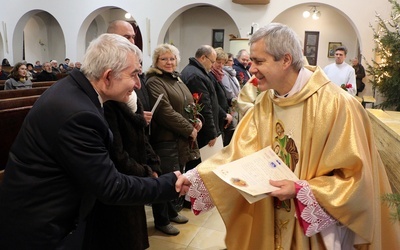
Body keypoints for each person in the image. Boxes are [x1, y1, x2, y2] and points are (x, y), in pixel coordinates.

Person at [184, 23, 400, 249]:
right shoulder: (266, 101)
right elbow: (239, 152)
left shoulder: (337, 105)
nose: (252, 69)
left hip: (315, 234)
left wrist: (302, 190)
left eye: (259, 62)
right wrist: (199, 176)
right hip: (269, 218)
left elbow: (356, 178)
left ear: (286, 60)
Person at [0, 33, 190, 249]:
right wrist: (167, 184)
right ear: (108, 76)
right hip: (44, 228)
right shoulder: (78, 114)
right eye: (134, 74)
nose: (138, 84)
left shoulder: (78, 92)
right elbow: (111, 187)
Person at [83, 20, 159, 250]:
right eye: (126, 38)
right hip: (119, 185)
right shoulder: (99, 102)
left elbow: (140, 132)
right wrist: (152, 178)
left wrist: (151, 164)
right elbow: (114, 155)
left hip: (132, 177)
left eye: (133, 37)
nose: (138, 84)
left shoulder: (122, 88)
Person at [146, 43, 202, 235]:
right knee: (165, 179)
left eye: (172, 59)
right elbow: (165, 112)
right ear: (156, 61)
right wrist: (189, 129)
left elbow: (189, 104)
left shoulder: (176, 79)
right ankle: (161, 219)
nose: (169, 62)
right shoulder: (154, 81)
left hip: (179, 139)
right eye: (164, 59)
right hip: (165, 139)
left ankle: (171, 212)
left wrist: (197, 121)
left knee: (176, 177)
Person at [180, 45, 221, 172]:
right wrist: (212, 133)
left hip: (203, 130)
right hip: (202, 134)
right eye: (212, 62)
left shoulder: (197, 72)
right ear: (203, 58)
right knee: (201, 170)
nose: (213, 65)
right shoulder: (195, 75)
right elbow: (204, 106)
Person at [106, 20, 152, 125]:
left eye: (133, 37)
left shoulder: (132, 64)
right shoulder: (107, 68)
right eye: (126, 37)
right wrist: (135, 117)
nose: (132, 42)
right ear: (110, 39)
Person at [209, 47, 233, 146]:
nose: (221, 66)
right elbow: (213, 100)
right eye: (218, 62)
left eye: (223, 63)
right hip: (217, 117)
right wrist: (224, 114)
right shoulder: (210, 76)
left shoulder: (219, 75)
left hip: (222, 117)